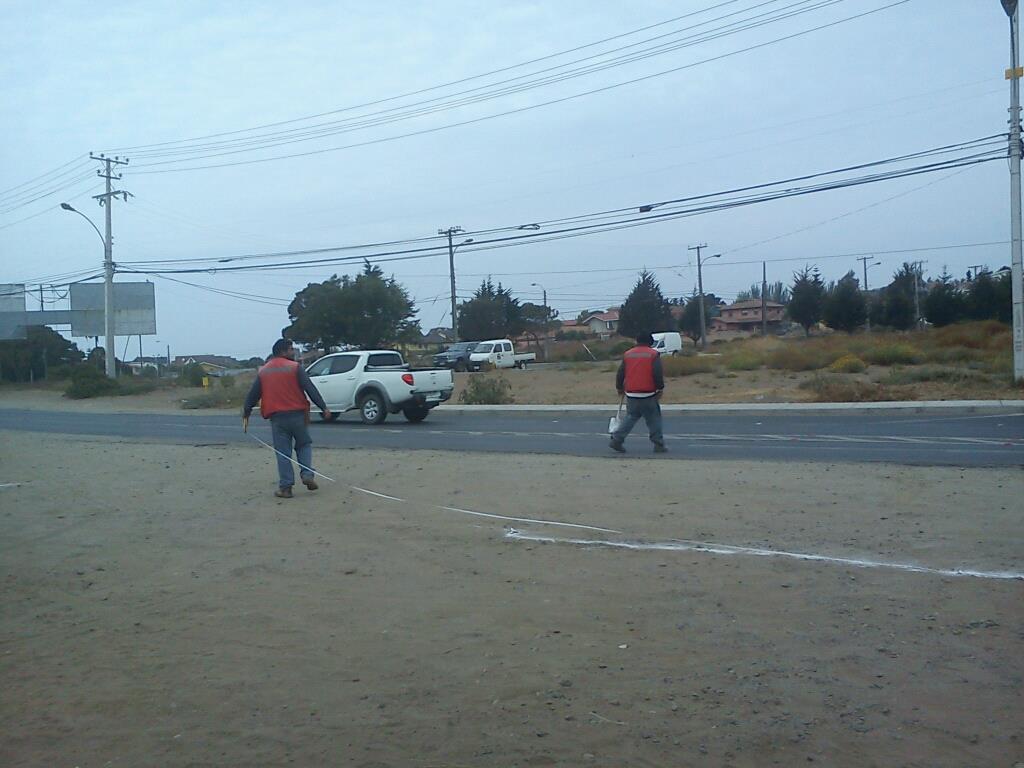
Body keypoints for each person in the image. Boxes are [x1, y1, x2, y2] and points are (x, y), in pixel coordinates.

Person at [243, 339, 331, 498]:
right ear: (283, 351)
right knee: (304, 445)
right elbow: (310, 388)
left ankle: (286, 488)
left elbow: (253, 394)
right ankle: (307, 475)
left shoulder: (264, 371)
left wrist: (246, 411)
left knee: (283, 453)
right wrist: (323, 407)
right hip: (298, 415)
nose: (293, 352)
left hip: (277, 418)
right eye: (291, 349)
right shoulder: (295, 368)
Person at [609, 332, 667, 454]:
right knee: (654, 419)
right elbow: (657, 373)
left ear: (637, 341)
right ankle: (658, 444)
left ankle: (617, 439)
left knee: (630, 418)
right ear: (650, 342)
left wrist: (619, 388)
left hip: (631, 393)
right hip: (648, 394)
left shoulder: (628, 354)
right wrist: (660, 388)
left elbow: (620, 373)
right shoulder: (653, 354)